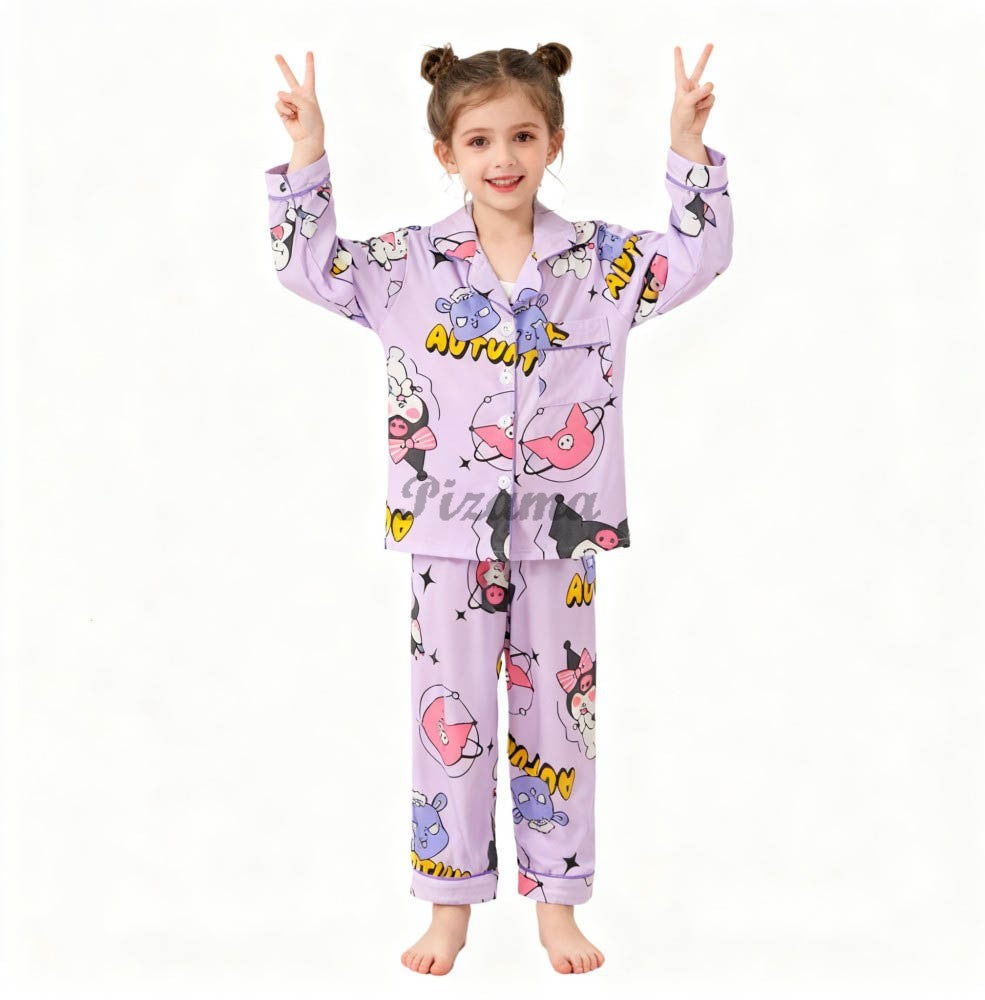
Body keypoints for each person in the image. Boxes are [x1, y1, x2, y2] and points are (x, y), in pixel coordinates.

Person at [265, 41, 733, 976]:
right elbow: (307, 266)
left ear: (554, 141)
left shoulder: (600, 262)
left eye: (523, 135)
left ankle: (559, 905)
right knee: (450, 716)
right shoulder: (407, 267)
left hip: (563, 533)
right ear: (446, 153)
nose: (503, 157)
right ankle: (449, 908)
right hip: (446, 530)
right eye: (479, 140)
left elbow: (698, 257)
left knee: (561, 719)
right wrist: (307, 153)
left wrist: (687, 148)